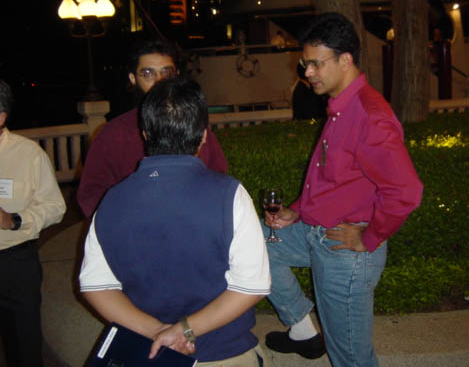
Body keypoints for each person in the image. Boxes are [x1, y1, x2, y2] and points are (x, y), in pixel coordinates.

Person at [263, 13, 423, 366]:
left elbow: (407, 191)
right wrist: (296, 210)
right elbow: (329, 178)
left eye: (315, 64)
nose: (307, 72)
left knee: (350, 358)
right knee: (256, 242)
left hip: (343, 252)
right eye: (305, 64)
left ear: (345, 60)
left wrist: (369, 237)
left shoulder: (369, 116)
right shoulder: (341, 107)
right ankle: (302, 330)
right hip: (314, 231)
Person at [79, 77, 271, 366]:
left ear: (145, 134)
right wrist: (182, 331)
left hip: (149, 353)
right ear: (204, 135)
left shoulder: (112, 199)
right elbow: (251, 287)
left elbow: (96, 286)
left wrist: (157, 332)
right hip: (222, 351)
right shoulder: (229, 195)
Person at [77, 39, 228, 217]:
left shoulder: (195, 125)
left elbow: (217, 177)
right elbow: (91, 195)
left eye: (166, 72)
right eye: (148, 73)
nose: (159, 81)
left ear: (177, 76)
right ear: (133, 78)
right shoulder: (112, 134)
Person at [0, 79, 66, 367]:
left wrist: (14, 220)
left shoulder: (28, 154)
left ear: (1, 116)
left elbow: (55, 208)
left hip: (13, 264)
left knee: (23, 346)